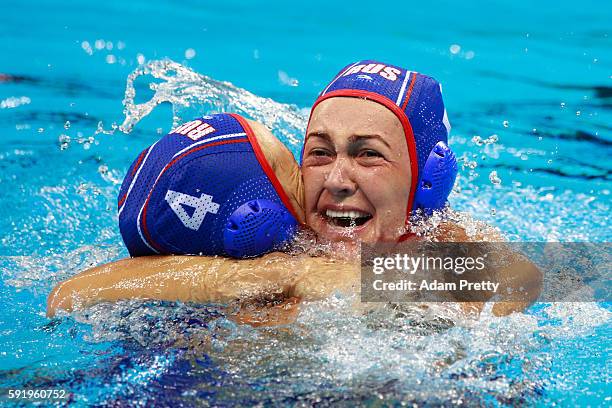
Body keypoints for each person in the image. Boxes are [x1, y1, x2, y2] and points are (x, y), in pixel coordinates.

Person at [47, 60, 541, 319]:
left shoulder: (452, 245)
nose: (337, 180)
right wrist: (243, 278)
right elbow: (70, 294)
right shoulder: (275, 242)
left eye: (368, 153)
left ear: (425, 180)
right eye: (319, 153)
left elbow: (521, 280)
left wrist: (325, 281)